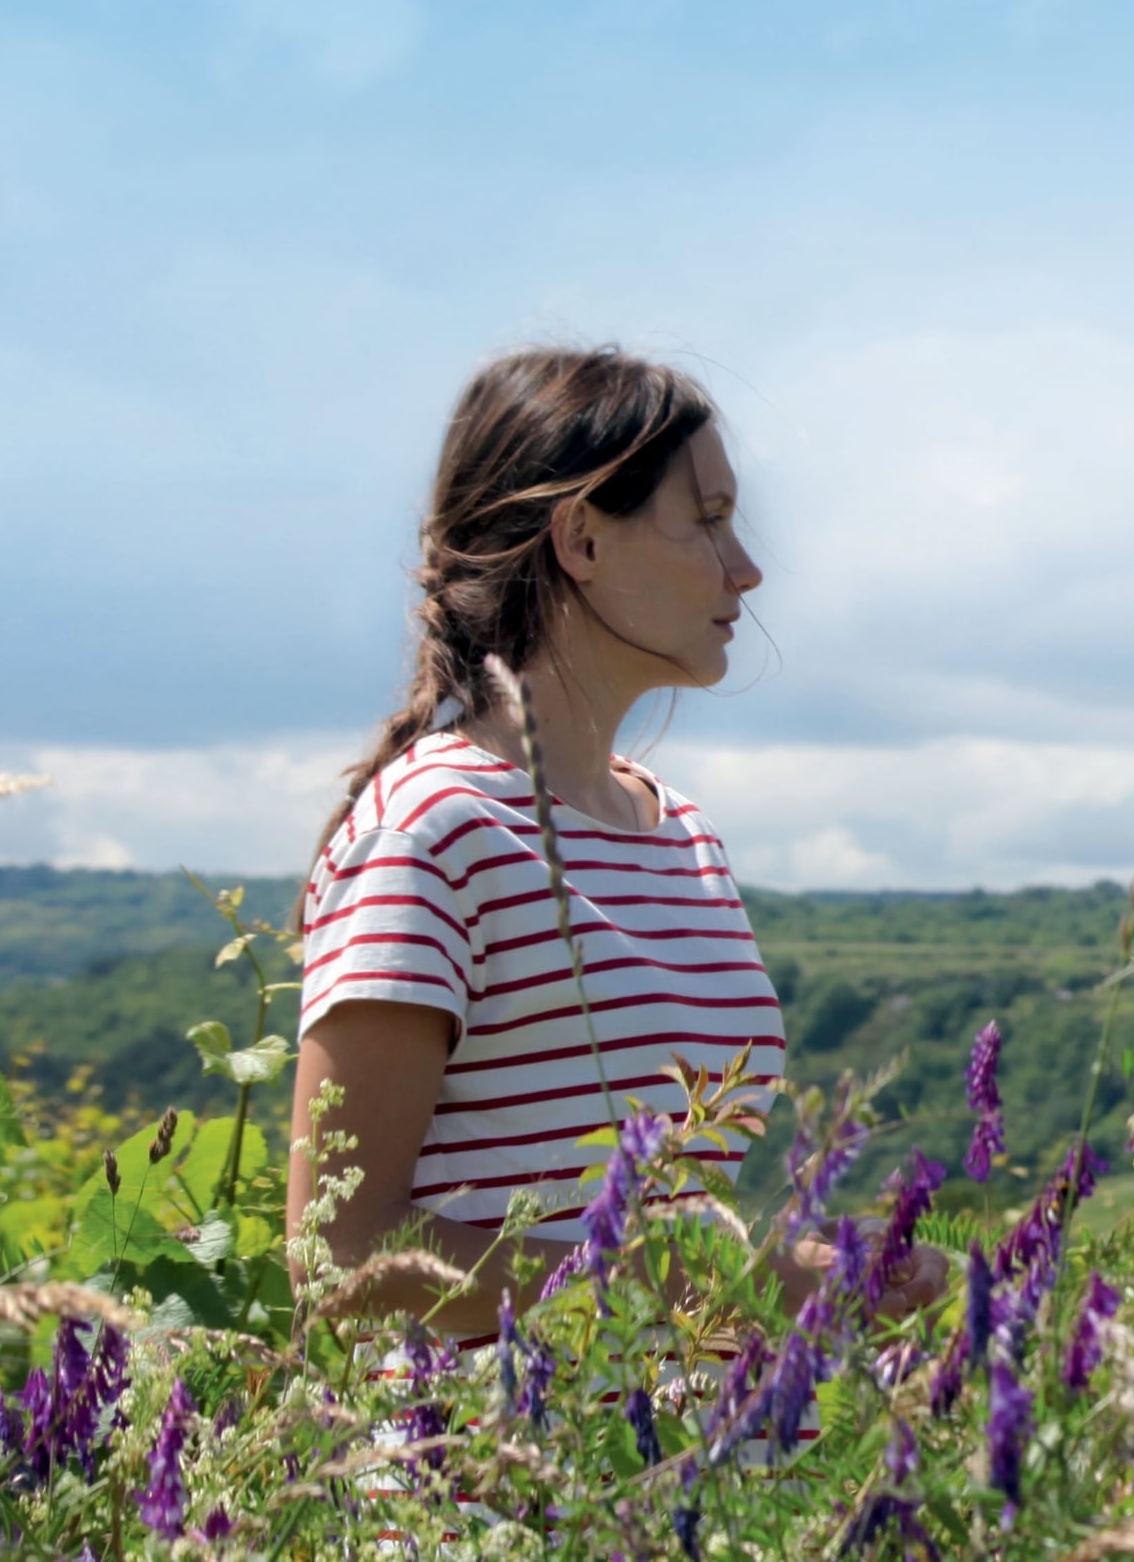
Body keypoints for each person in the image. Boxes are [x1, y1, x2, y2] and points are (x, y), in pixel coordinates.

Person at [289, 347, 941, 1341]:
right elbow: (339, 1255)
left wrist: (814, 1271)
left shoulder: (682, 836)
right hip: (490, 1444)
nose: (747, 567)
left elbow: (661, 1226)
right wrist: (705, 1287)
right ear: (582, 539)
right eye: (709, 520)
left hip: (687, 1440)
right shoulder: (432, 831)